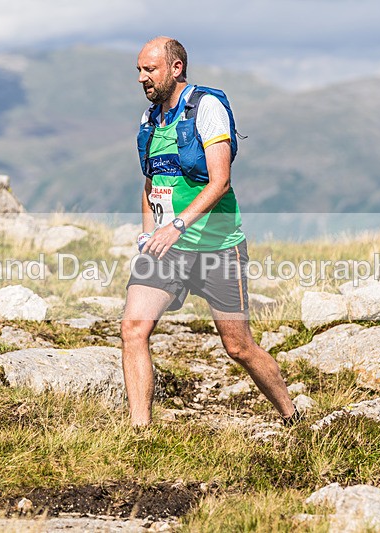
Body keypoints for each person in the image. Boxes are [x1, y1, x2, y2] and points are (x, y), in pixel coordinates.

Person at [121, 36, 299, 427]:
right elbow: (151, 184)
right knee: (133, 328)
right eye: (139, 70)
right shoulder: (150, 120)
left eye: (149, 69)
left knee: (238, 346)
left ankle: (293, 418)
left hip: (218, 247)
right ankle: (139, 433)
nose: (141, 78)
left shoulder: (207, 108)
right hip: (167, 251)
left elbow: (219, 182)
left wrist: (178, 225)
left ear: (175, 67)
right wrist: (148, 233)